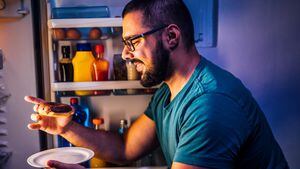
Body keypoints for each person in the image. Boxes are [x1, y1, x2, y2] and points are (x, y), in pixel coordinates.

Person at [25, 0, 289, 168]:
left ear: (171, 36)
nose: (126, 54)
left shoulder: (211, 104)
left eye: (132, 42)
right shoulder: (167, 91)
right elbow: (125, 148)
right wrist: (67, 127)